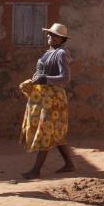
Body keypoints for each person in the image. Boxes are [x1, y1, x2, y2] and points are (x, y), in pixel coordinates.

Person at [19, 22, 75, 178]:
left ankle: (36, 170)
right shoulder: (49, 52)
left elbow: (65, 78)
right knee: (55, 133)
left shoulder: (61, 53)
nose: (49, 36)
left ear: (61, 39)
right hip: (44, 97)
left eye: (53, 35)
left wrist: (45, 79)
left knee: (45, 131)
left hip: (53, 99)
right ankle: (69, 164)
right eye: (49, 34)